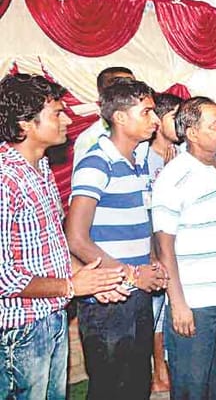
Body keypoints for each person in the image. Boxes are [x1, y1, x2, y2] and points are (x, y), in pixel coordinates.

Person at [0, 73, 125, 400]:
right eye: (57, 113)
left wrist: (90, 280)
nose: (67, 120)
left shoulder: (40, 168)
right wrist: (71, 287)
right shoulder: (5, 179)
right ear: (25, 124)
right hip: (19, 330)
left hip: (51, 316)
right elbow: (3, 276)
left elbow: (53, 246)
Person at [66, 79, 169, 400]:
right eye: (147, 112)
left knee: (137, 385)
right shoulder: (97, 162)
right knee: (111, 389)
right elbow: (76, 237)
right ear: (120, 117)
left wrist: (152, 261)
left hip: (137, 292)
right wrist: (131, 275)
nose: (155, 120)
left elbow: (139, 224)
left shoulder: (137, 162)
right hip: (108, 298)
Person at [153, 97, 216, 399]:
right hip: (197, 304)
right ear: (192, 133)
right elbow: (164, 247)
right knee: (192, 387)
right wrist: (178, 304)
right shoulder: (174, 176)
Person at [147, 92, 184, 393]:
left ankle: (171, 364)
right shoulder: (145, 157)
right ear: (159, 121)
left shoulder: (182, 155)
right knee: (156, 313)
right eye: (175, 117)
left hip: (180, 245)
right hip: (154, 247)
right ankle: (159, 369)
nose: (182, 123)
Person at [72, 66, 134, 171]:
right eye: (122, 88)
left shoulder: (145, 131)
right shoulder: (90, 138)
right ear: (104, 93)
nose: (131, 93)